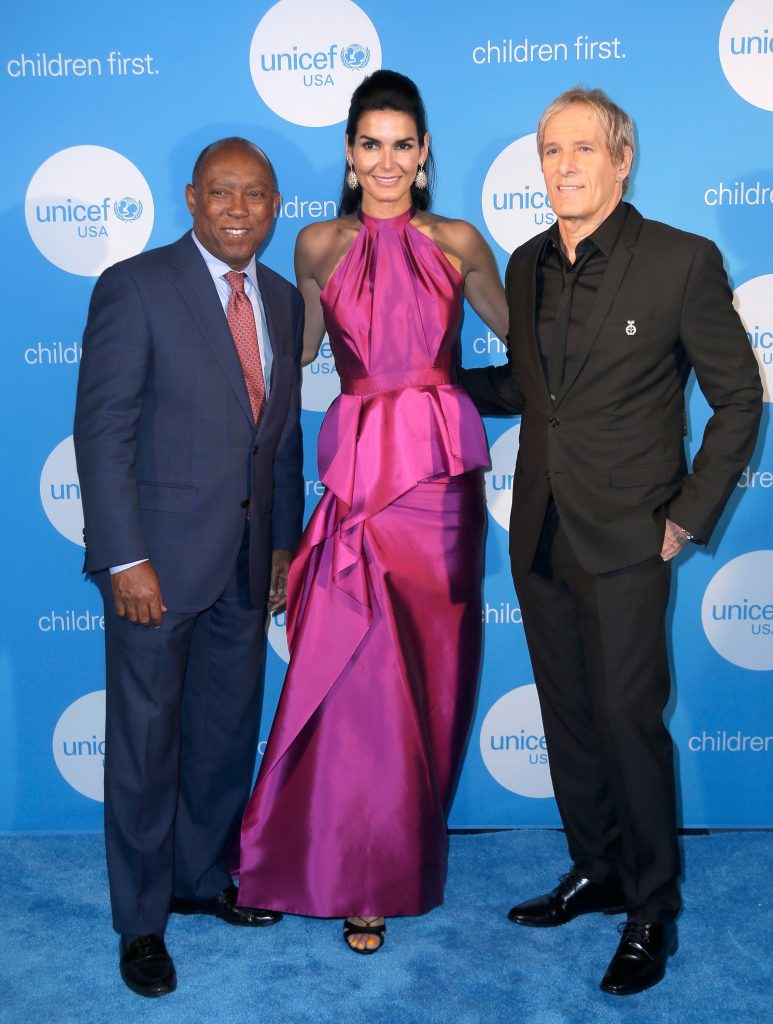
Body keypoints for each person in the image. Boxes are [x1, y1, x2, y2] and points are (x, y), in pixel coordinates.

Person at [460, 87, 762, 995]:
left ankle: (651, 909)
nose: (564, 166)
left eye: (583, 149)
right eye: (551, 150)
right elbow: (529, 390)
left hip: (631, 536)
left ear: (621, 161)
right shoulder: (524, 263)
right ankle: (597, 869)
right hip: (541, 530)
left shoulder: (680, 260)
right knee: (569, 720)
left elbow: (737, 398)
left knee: (628, 726)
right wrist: (427, 381)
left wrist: (688, 513)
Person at [236, 69, 508, 954]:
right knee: (355, 672)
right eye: (369, 144)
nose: (386, 161)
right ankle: (345, 867)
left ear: (423, 154)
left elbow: (532, 346)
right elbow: (298, 356)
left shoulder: (459, 240)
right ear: (350, 155)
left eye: (402, 145)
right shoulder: (316, 244)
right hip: (358, 478)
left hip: (438, 487)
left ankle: (391, 857)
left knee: (427, 676)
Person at [74, 138, 305, 998]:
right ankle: (140, 922)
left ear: (276, 205)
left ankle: (201, 878)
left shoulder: (282, 299)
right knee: (145, 746)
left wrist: (281, 544)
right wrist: (124, 556)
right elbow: (103, 432)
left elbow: (278, 436)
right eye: (221, 192)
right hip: (156, 567)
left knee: (221, 736)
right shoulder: (135, 286)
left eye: (255, 194)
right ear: (191, 199)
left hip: (245, 562)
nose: (238, 208)